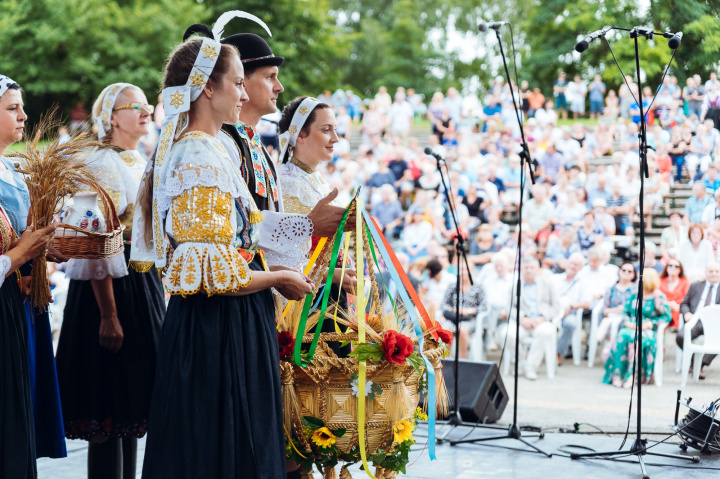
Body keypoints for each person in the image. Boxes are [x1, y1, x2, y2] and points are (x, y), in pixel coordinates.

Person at [131, 37, 312, 478]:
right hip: (218, 329)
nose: (244, 93)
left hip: (225, 322)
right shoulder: (198, 154)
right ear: (207, 88)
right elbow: (214, 271)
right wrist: (277, 278)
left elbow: (231, 249)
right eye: (237, 82)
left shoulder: (208, 149)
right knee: (222, 452)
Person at [55, 82, 164, 478]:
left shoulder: (137, 159)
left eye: (148, 104)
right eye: (135, 105)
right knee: (107, 409)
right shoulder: (101, 163)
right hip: (111, 290)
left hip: (141, 284)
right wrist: (108, 313)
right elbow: (93, 240)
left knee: (131, 410)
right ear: (112, 117)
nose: (146, 110)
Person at [182, 22, 352, 271]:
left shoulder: (258, 147)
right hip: (232, 290)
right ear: (242, 80)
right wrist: (307, 224)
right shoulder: (219, 143)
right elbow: (227, 231)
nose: (279, 87)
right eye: (270, 77)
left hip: (260, 290)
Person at [0, 76, 68, 461]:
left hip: (16, 298)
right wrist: (24, 253)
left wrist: (41, 253)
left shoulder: (12, 170)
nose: (24, 116)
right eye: (12, 108)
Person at [603, 269, 671, 387]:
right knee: (622, 336)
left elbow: (666, 317)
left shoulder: (658, 296)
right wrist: (627, 322)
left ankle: (632, 376)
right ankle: (618, 374)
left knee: (637, 340)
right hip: (632, 325)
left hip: (647, 330)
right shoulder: (635, 294)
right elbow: (625, 311)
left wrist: (651, 324)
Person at [500, 256, 561, 380]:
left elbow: (556, 307)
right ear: (522, 269)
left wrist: (541, 318)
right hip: (522, 322)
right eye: (526, 267)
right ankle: (521, 364)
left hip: (541, 321)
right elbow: (509, 307)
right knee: (507, 333)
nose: (528, 270)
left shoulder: (547, 283)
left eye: (532, 267)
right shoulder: (516, 284)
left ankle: (531, 367)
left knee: (546, 332)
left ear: (538, 269)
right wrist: (522, 318)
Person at [677, 261, 720, 379]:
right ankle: (694, 361)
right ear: (706, 273)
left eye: (717, 272)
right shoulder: (696, 286)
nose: (714, 274)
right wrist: (686, 313)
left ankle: (700, 364)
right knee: (681, 337)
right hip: (695, 321)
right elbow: (684, 303)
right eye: (711, 271)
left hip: (715, 325)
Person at [595, 261, 638, 361]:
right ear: (619, 271)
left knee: (619, 323)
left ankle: (610, 348)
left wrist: (624, 310)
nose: (626, 273)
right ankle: (612, 350)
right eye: (624, 270)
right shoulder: (611, 289)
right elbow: (604, 310)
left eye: (629, 271)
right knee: (611, 323)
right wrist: (616, 310)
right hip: (612, 316)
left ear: (633, 274)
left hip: (628, 318)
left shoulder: (635, 289)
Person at [441, 267, 487, 359]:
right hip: (453, 318)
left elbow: (483, 306)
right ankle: (446, 359)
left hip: (469, 319)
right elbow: (443, 304)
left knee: (463, 330)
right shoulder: (453, 286)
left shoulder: (478, 287)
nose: (464, 273)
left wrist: (468, 311)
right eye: (462, 270)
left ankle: (462, 359)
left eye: (466, 270)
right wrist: (452, 309)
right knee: (445, 329)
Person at [553, 253, 591, 365]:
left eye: (577, 264)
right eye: (571, 263)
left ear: (581, 268)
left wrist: (570, 307)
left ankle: (557, 352)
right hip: (554, 310)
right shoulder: (555, 278)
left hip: (570, 312)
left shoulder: (583, 282)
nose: (573, 266)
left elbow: (587, 303)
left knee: (570, 324)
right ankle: (532, 349)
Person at [659, 259, 690, 330]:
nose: (673, 268)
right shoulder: (660, 281)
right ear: (666, 268)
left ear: (680, 269)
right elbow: (656, 298)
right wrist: (667, 304)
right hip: (663, 308)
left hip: (679, 309)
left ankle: (675, 329)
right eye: (670, 265)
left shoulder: (685, 282)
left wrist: (679, 306)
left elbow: (688, 299)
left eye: (676, 266)